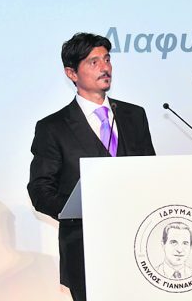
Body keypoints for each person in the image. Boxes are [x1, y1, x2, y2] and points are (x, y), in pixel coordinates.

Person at [27, 32, 156, 301]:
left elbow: (151, 174)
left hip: (140, 247)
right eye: (94, 62)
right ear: (71, 73)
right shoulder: (53, 127)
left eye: (107, 59)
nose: (105, 67)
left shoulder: (134, 116)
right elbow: (40, 191)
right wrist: (83, 208)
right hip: (85, 250)